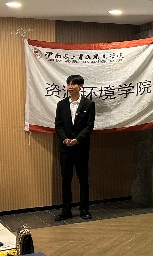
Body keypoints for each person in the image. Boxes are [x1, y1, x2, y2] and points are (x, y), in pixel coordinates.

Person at [54, 75, 96, 221]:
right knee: (66, 180)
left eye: (73, 84)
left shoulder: (89, 104)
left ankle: (84, 209)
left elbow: (89, 126)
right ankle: (66, 210)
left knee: (83, 179)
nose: (70, 87)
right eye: (68, 84)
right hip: (65, 148)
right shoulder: (61, 104)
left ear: (81, 86)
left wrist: (77, 139)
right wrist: (65, 139)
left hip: (81, 147)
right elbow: (58, 125)